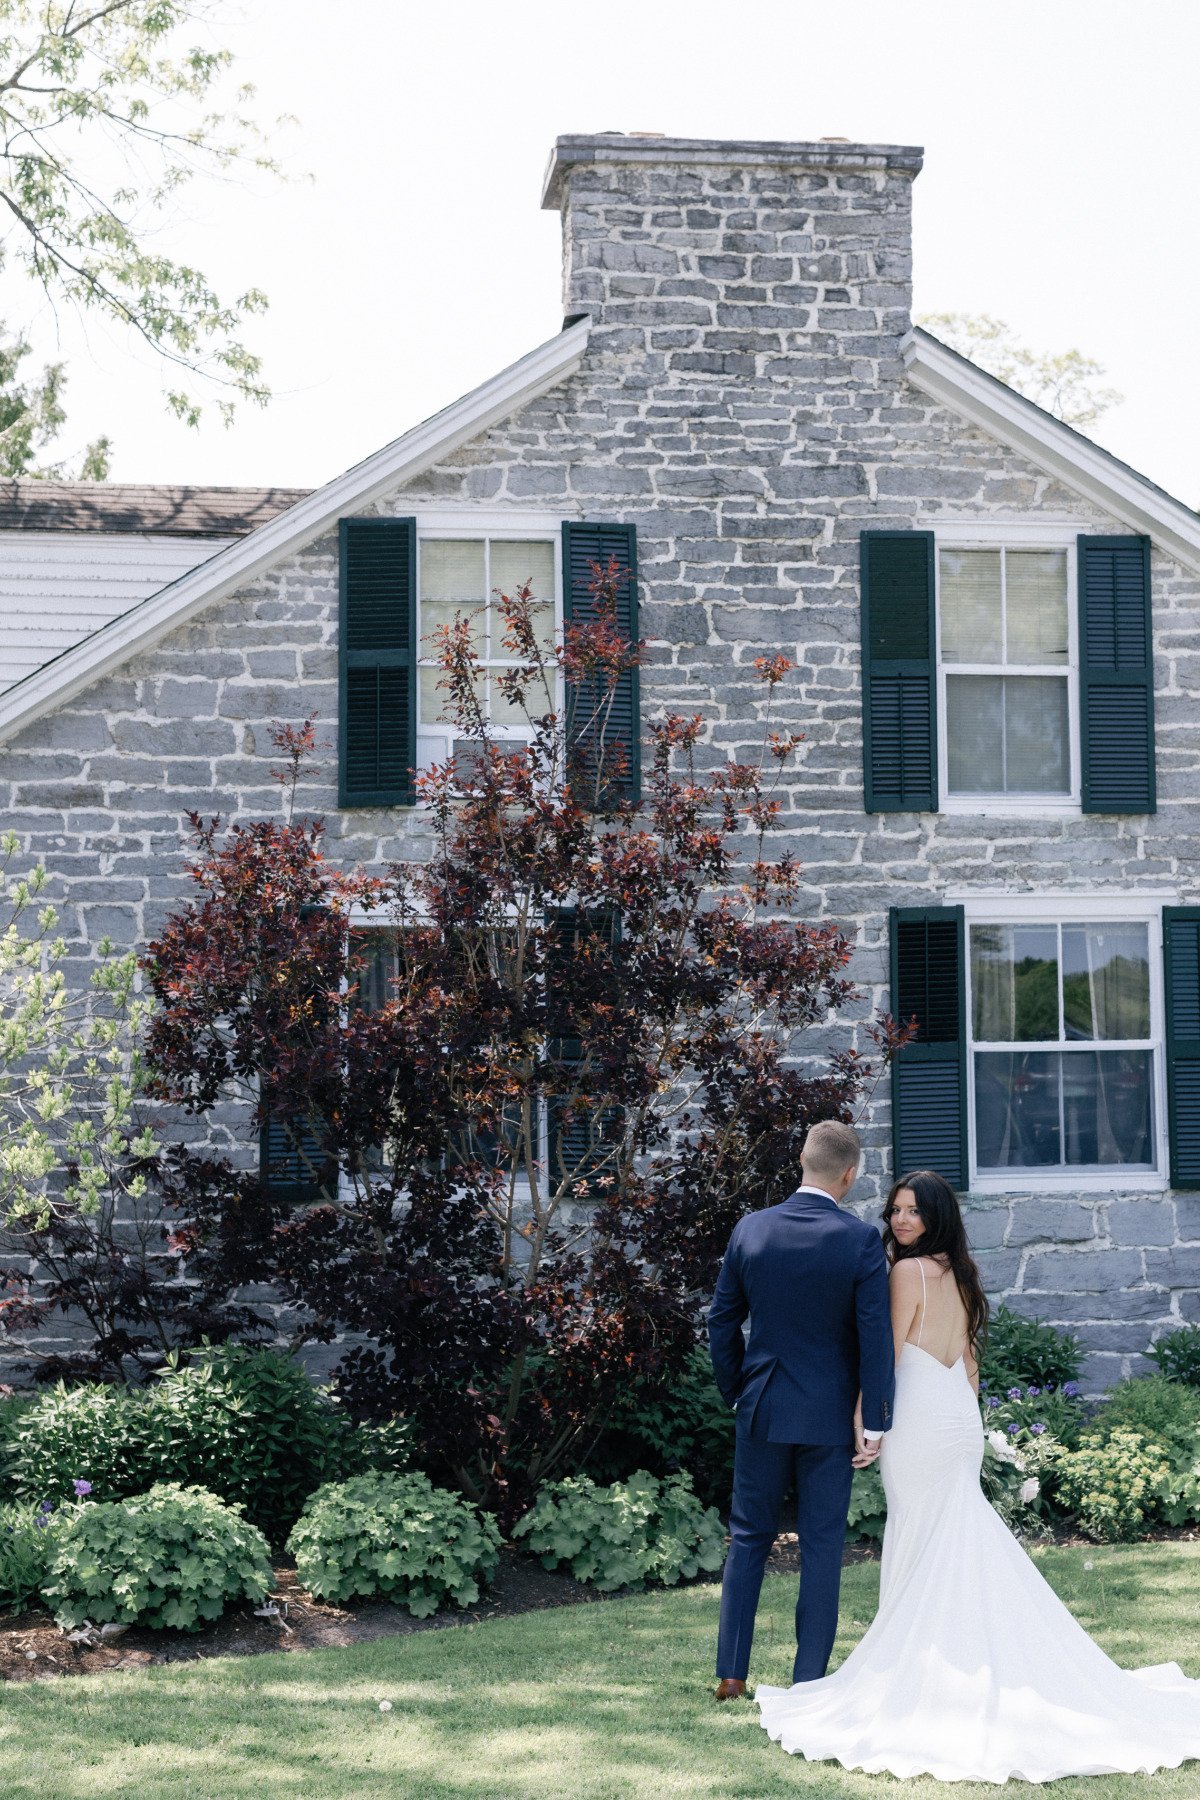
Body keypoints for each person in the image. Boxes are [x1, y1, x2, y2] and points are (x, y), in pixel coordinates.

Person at [754, 1168, 1200, 1783]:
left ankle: (917, 1668)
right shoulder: (963, 1275)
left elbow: (882, 1351)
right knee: (950, 1531)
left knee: (919, 1530)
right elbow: (967, 1360)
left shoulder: (906, 1273)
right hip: (956, 1417)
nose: (901, 1220)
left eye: (913, 1211)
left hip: (918, 1418)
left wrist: (867, 1415)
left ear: (936, 1216)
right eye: (895, 1210)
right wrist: (969, 1419)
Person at [707, 1118, 895, 1700]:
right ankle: (808, 1679)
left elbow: (720, 1320)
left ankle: (732, 1676)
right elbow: (874, 1337)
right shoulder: (860, 1240)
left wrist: (736, 1388)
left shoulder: (751, 1230)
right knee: (820, 1545)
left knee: (747, 1538)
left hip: (761, 1407)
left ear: (800, 1160)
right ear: (850, 1174)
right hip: (830, 1416)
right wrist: (878, 1419)